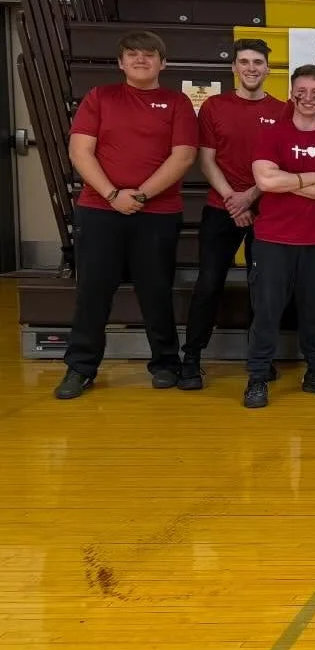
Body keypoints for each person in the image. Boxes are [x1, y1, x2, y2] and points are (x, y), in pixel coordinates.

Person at [55, 30, 199, 399]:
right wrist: (113, 194)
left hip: (158, 213)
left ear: (162, 63)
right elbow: (80, 152)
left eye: (149, 55)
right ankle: (81, 368)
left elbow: (182, 156)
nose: (140, 60)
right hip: (99, 210)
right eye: (132, 55)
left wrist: (141, 195)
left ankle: (166, 363)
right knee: (93, 293)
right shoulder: (99, 98)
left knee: (156, 292)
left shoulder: (177, 102)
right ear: (120, 63)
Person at [242, 65, 315, 409]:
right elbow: (264, 182)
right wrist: (311, 177)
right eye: (302, 91)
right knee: (267, 310)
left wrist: (288, 178)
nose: (308, 98)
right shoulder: (272, 133)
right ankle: (258, 377)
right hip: (273, 239)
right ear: (292, 93)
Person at [180, 38, 283, 390]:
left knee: (263, 288)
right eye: (244, 62)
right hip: (220, 208)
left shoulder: (283, 110)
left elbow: (279, 166)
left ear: (268, 68)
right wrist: (232, 200)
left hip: (266, 207)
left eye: (258, 62)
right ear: (234, 68)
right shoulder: (213, 107)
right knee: (209, 283)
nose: (251, 68)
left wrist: (251, 195)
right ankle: (191, 358)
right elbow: (206, 161)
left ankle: (260, 359)